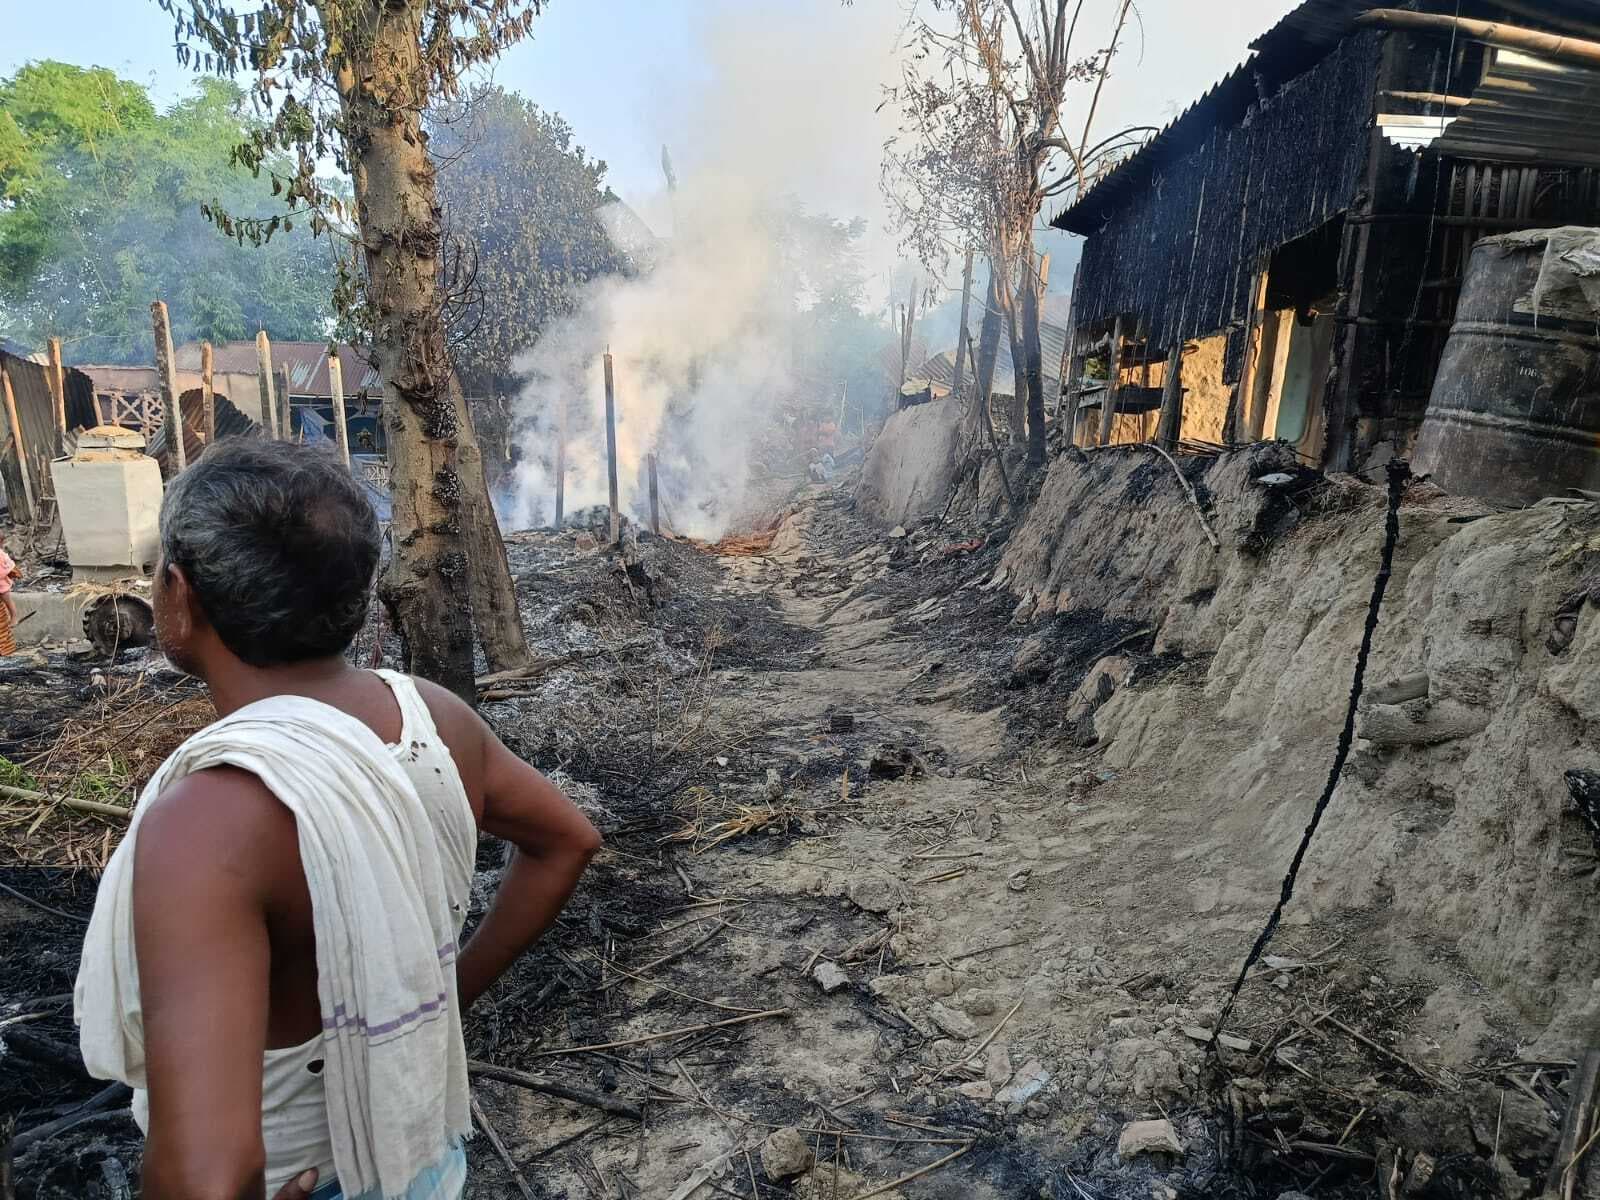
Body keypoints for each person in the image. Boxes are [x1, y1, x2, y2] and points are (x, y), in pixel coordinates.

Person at [74, 440, 601, 1200]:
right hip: (424, 1161)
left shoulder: (208, 820)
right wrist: (445, 994)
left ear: (180, 594)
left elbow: (209, 1176)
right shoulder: (434, 719)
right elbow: (568, 840)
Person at [0, 528, 20, 656]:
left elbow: (9, 565)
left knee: (7, 599)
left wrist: (13, 572)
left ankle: (14, 616)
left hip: (1, 584)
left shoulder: (0, 554)